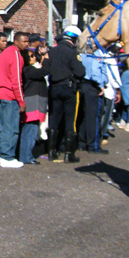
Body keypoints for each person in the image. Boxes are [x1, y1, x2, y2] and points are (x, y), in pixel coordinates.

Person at [46, 26, 86, 163]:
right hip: (69, 89)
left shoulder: (53, 51)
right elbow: (80, 72)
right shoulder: (72, 52)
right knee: (70, 121)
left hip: (54, 88)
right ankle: (69, 154)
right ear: (74, 39)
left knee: (54, 119)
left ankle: (51, 151)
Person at [0, 32, 29, 168]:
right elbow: (16, 80)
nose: (27, 44)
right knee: (11, 127)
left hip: (0, 94)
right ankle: (7, 156)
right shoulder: (15, 54)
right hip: (10, 95)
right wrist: (21, 100)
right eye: (24, 41)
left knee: (1, 126)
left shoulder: (6, 52)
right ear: (17, 41)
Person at [19, 47, 49, 165]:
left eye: (34, 55)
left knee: (31, 130)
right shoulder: (28, 70)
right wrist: (46, 59)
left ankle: (26, 155)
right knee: (30, 131)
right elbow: (44, 71)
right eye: (31, 56)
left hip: (35, 102)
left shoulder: (30, 69)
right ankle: (26, 156)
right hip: (32, 103)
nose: (34, 57)